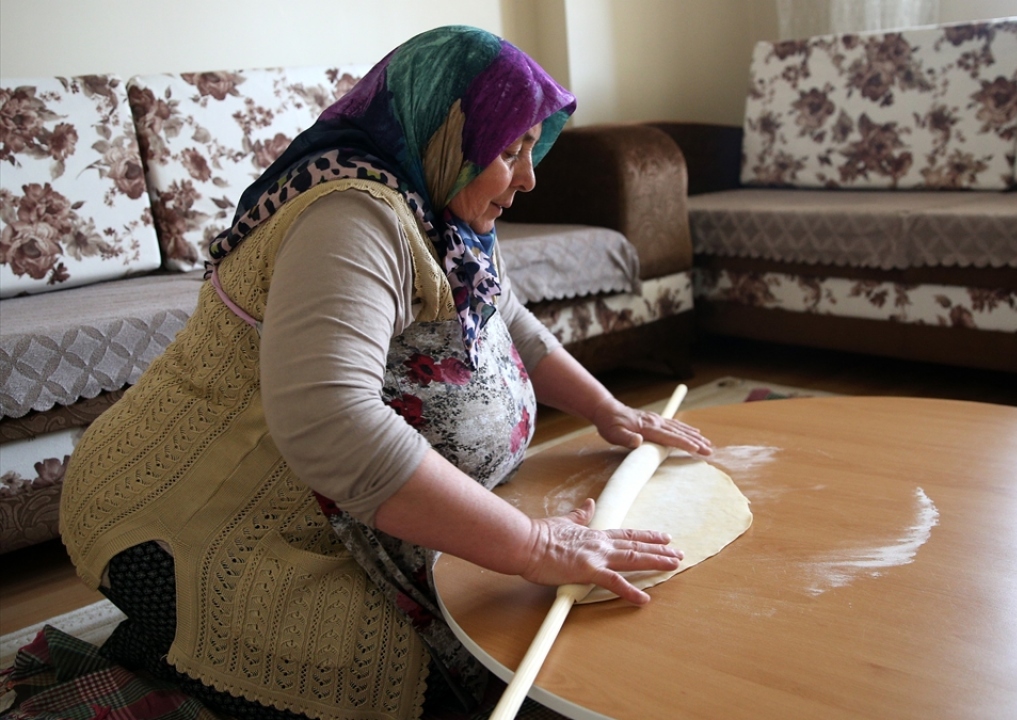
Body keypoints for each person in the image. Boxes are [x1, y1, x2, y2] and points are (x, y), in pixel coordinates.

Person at [60, 26, 711, 720]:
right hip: (188, 521)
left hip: (335, 515)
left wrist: (607, 407)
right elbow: (330, 421)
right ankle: (160, 643)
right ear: (447, 129)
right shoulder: (353, 218)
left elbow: (502, 317)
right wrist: (537, 545)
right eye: (510, 151)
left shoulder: (443, 213)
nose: (528, 178)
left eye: (531, 150)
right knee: (425, 688)